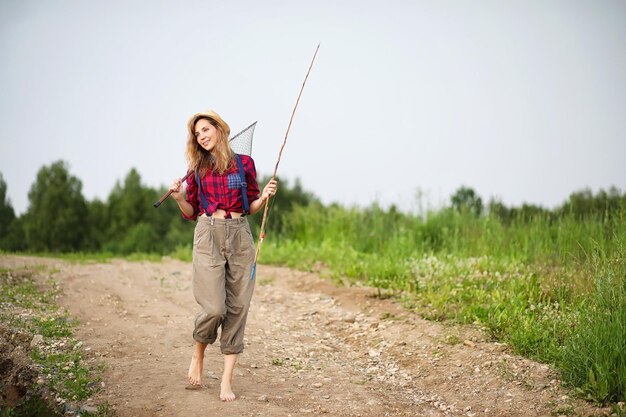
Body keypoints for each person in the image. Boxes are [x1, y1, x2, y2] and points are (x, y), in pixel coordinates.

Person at [169, 110, 277, 402]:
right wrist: (179, 198)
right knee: (214, 308)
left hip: (240, 234)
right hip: (208, 233)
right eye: (197, 134)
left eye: (205, 129)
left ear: (219, 128)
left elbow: (250, 205)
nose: (201, 136)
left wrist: (264, 196)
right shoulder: (197, 169)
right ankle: (199, 353)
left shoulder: (244, 164)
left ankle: (226, 380)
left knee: (238, 306)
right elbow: (191, 212)